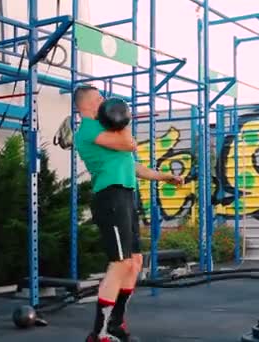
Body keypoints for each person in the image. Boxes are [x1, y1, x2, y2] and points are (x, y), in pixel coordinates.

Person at [73, 85, 184, 342]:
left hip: (125, 195)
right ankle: (98, 333)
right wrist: (121, 117)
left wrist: (164, 177)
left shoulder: (106, 129)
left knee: (134, 263)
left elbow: (132, 165)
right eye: (99, 97)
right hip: (110, 197)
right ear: (86, 104)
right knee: (120, 263)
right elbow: (129, 143)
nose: (104, 101)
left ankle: (116, 324)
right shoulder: (88, 130)